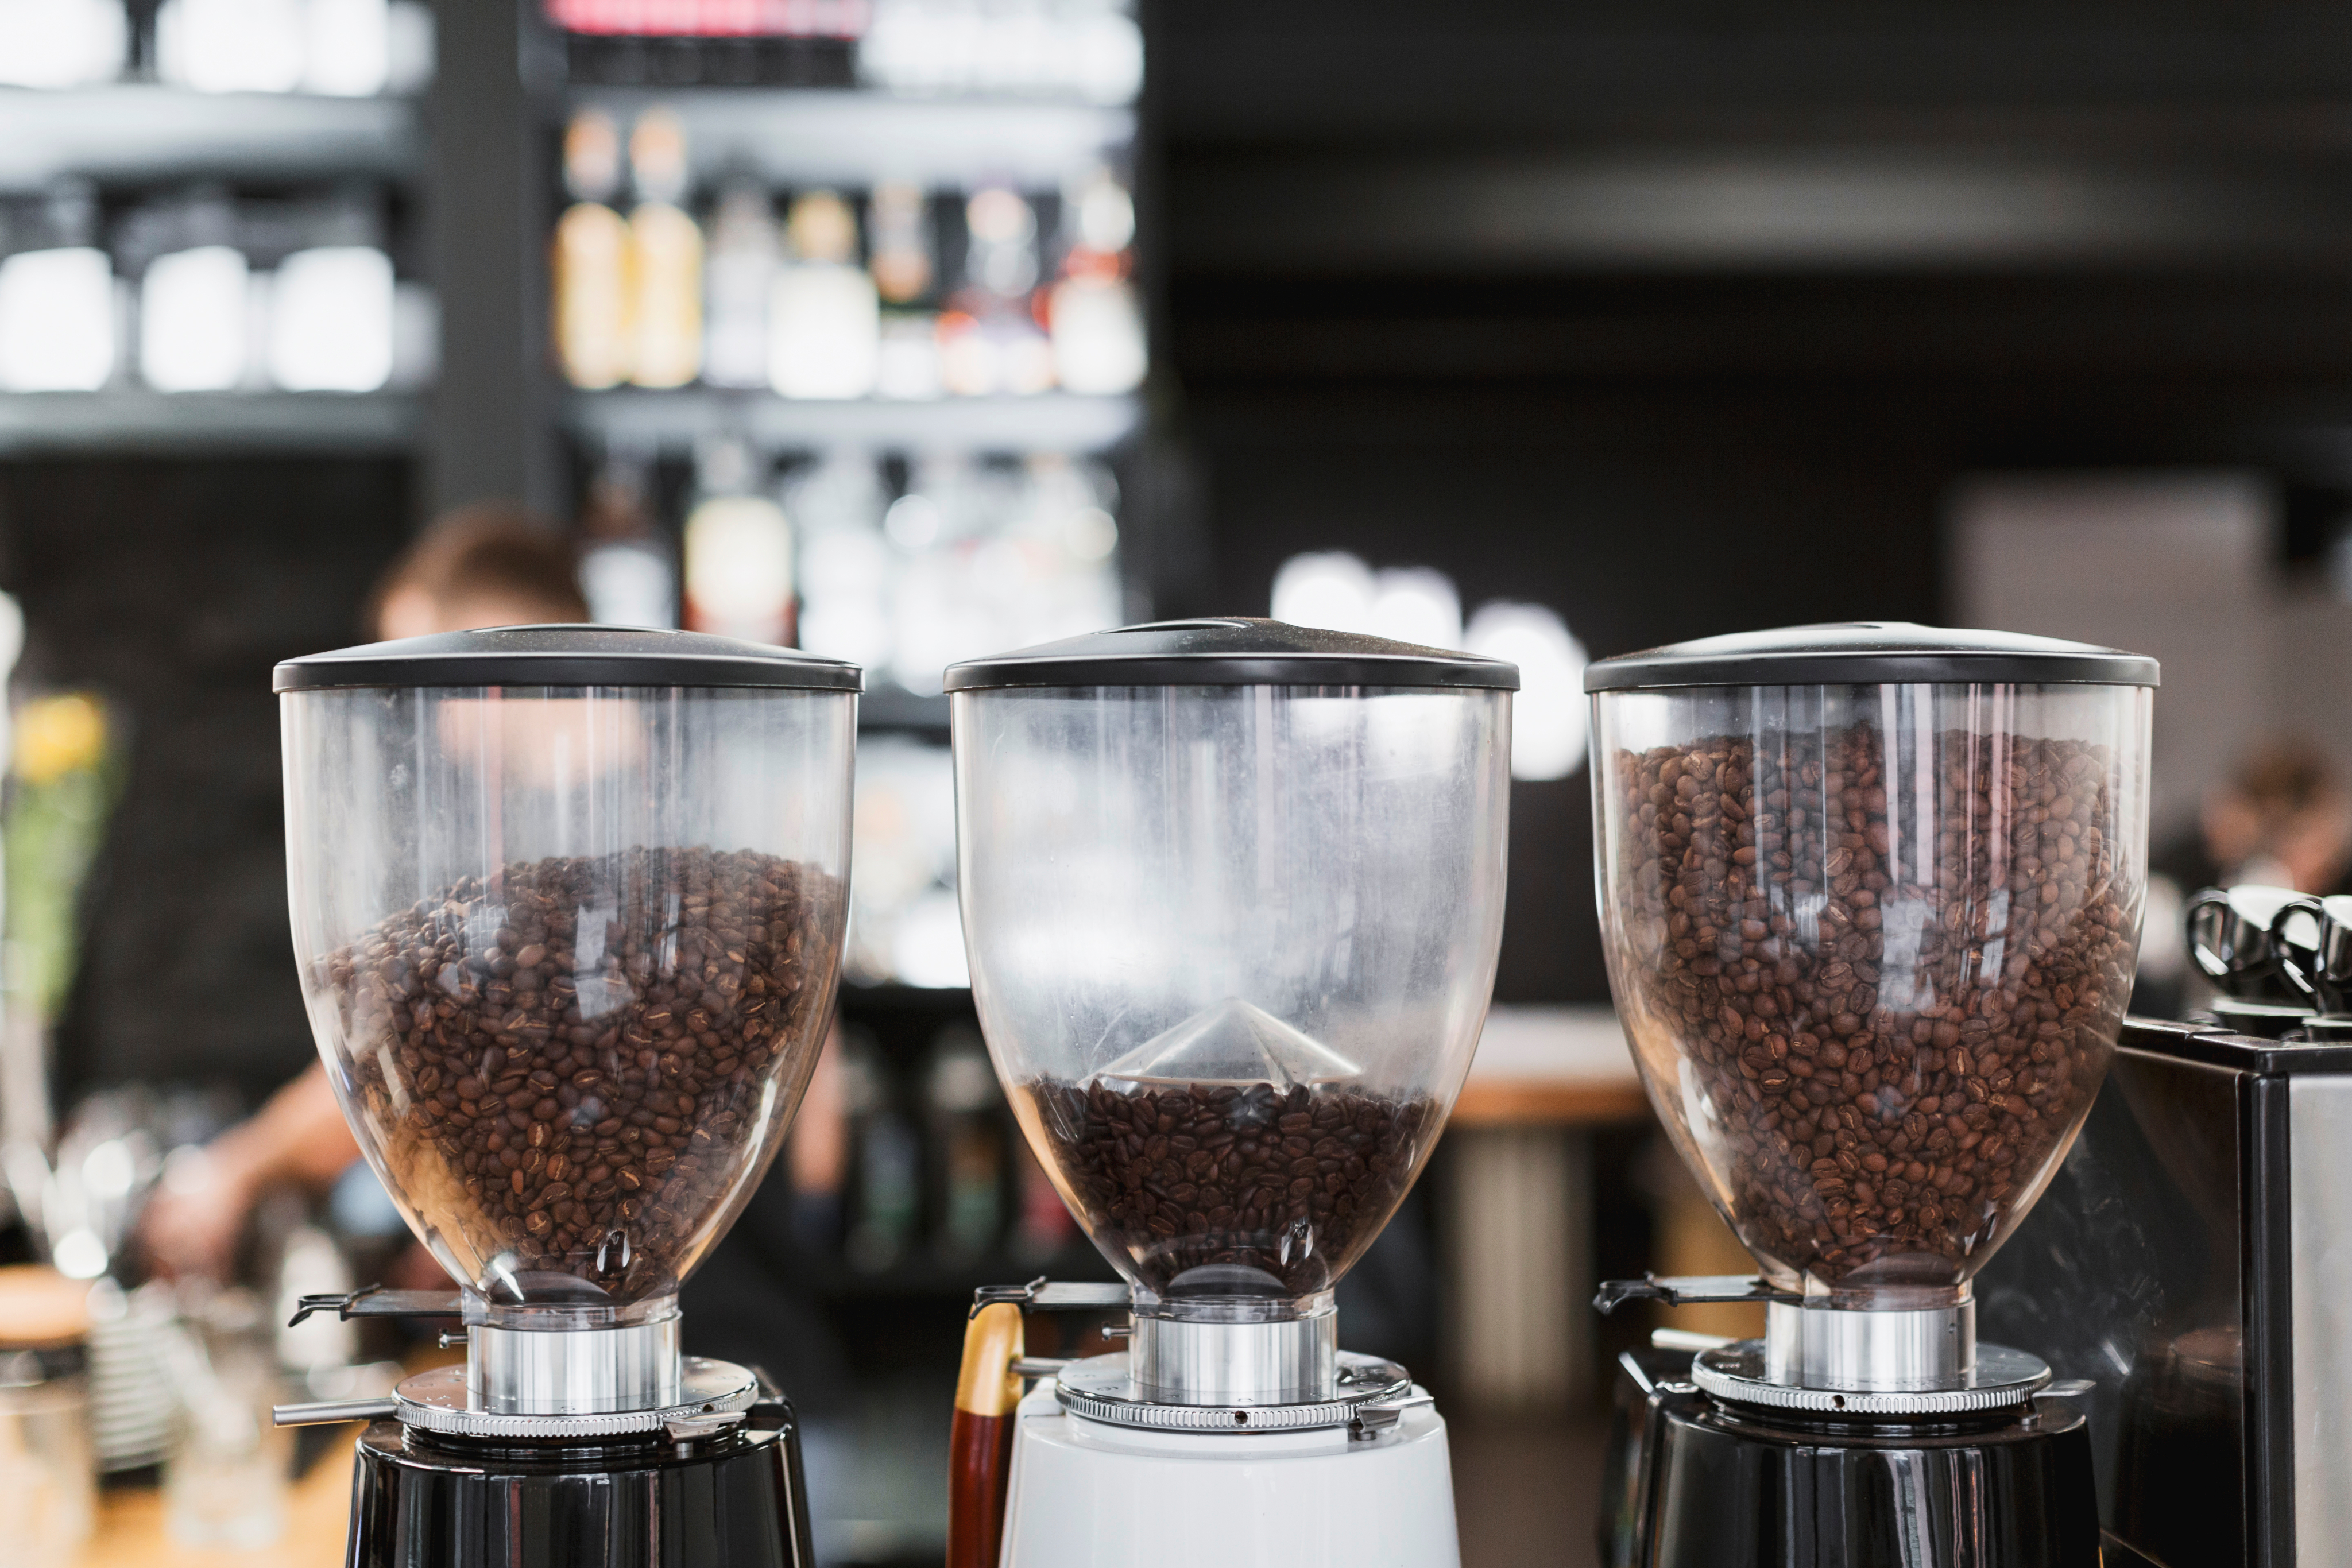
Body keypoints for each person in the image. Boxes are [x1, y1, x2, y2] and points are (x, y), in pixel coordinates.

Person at [139, 505, 593, 1285]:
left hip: (691, 1337)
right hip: (763, 1321)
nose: (437, 731)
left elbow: (403, 1063)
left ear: (497, 641)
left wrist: (236, 1171)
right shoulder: (701, 828)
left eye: (434, 684)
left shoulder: (564, 868)